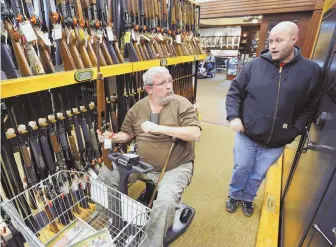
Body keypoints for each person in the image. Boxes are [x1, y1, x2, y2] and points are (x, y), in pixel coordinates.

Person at [96, 66, 201, 246]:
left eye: (170, 81)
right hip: (140, 163)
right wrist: (112, 137)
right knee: (105, 179)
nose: (169, 86)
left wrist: (158, 128)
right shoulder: (137, 108)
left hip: (175, 167)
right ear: (149, 89)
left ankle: (151, 243)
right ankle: (113, 223)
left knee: (165, 203)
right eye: (163, 83)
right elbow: (127, 134)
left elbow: (195, 134)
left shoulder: (181, 103)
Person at [225, 21, 322, 216]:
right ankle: (234, 195)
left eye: (279, 40)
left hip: (278, 140)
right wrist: (234, 117)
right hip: (248, 134)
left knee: (258, 174)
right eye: (270, 41)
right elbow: (234, 93)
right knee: (241, 168)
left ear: (294, 39)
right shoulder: (253, 66)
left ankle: (247, 198)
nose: (273, 46)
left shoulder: (311, 71)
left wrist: (295, 130)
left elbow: (311, 105)